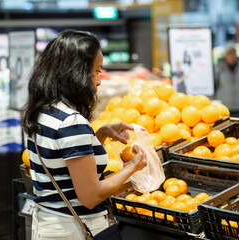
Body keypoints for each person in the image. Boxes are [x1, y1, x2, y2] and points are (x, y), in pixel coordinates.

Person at [20, 30, 147, 240]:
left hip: (49, 225)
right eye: (96, 71)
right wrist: (133, 167)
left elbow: (66, 164)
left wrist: (101, 135)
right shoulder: (71, 121)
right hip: (73, 230)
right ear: (75, 72)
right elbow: (91, 196)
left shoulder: (44, 111)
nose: (99, 81)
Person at [214, 44, 239, 116]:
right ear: (225, 55)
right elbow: (215, 84)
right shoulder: (219, 67)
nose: (232, 56)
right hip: (224, 105)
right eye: (229, 53)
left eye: (234, 53)